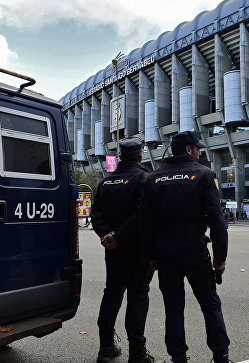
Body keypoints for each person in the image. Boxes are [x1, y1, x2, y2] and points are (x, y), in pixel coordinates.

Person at [142, 130, 230, 363]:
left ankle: (178, 357)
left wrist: (151, 255)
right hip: (194, 248)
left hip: (165, 251)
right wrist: (219, 258)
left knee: (174, 307)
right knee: (210, 303)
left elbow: (147, 222)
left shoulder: (153, 177)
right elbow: (217, 221)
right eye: (198, 148)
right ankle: (220, 356)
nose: (200, 152)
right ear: (189, 150)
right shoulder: (204, 175)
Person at [90, 137, 163, 363]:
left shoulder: (106, 181)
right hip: (137, 250)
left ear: (120, 157)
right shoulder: (144, 178)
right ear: (140, 157)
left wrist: (108, 237)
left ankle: (106, 348)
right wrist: (119, 236)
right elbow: (143, 215)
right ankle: (137, 355)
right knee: (138, 298)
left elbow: (96, 214)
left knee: (111, 294)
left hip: (112, 251)